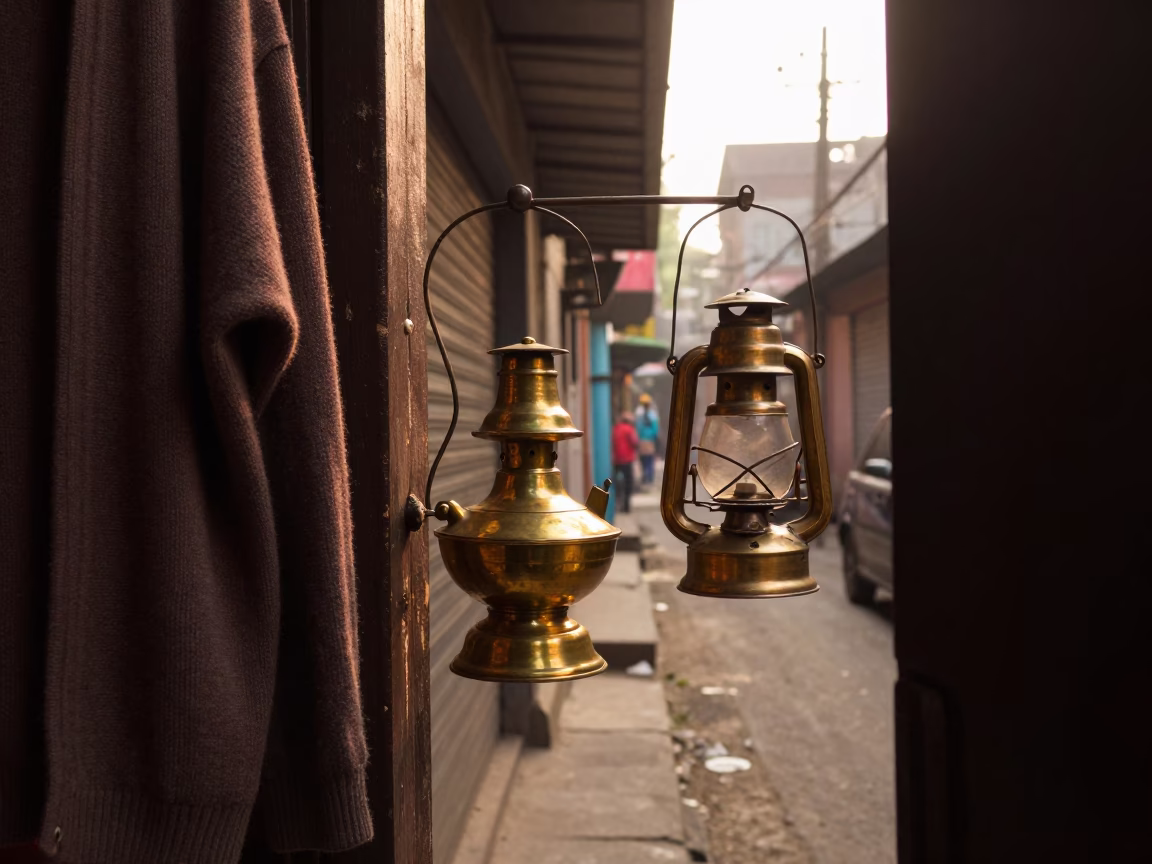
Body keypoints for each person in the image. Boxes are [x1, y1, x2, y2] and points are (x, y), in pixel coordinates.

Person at [612, 411, 639, 513]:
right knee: (628, 483)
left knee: (617, 483)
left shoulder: (616, 428)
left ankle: (617, 502)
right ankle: (626, 506)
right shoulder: (629, 429)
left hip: (616, 460)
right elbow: (635, 442)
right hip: (627, 460)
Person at [635, 394, 661, 486]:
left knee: (644, 460)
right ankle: (649, 477)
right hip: (649, 440)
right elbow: (655, 428)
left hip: (642, 440)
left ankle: (646, 476)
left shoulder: (638, 414)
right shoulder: (652, 414)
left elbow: (638, 427)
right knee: (649, 459)